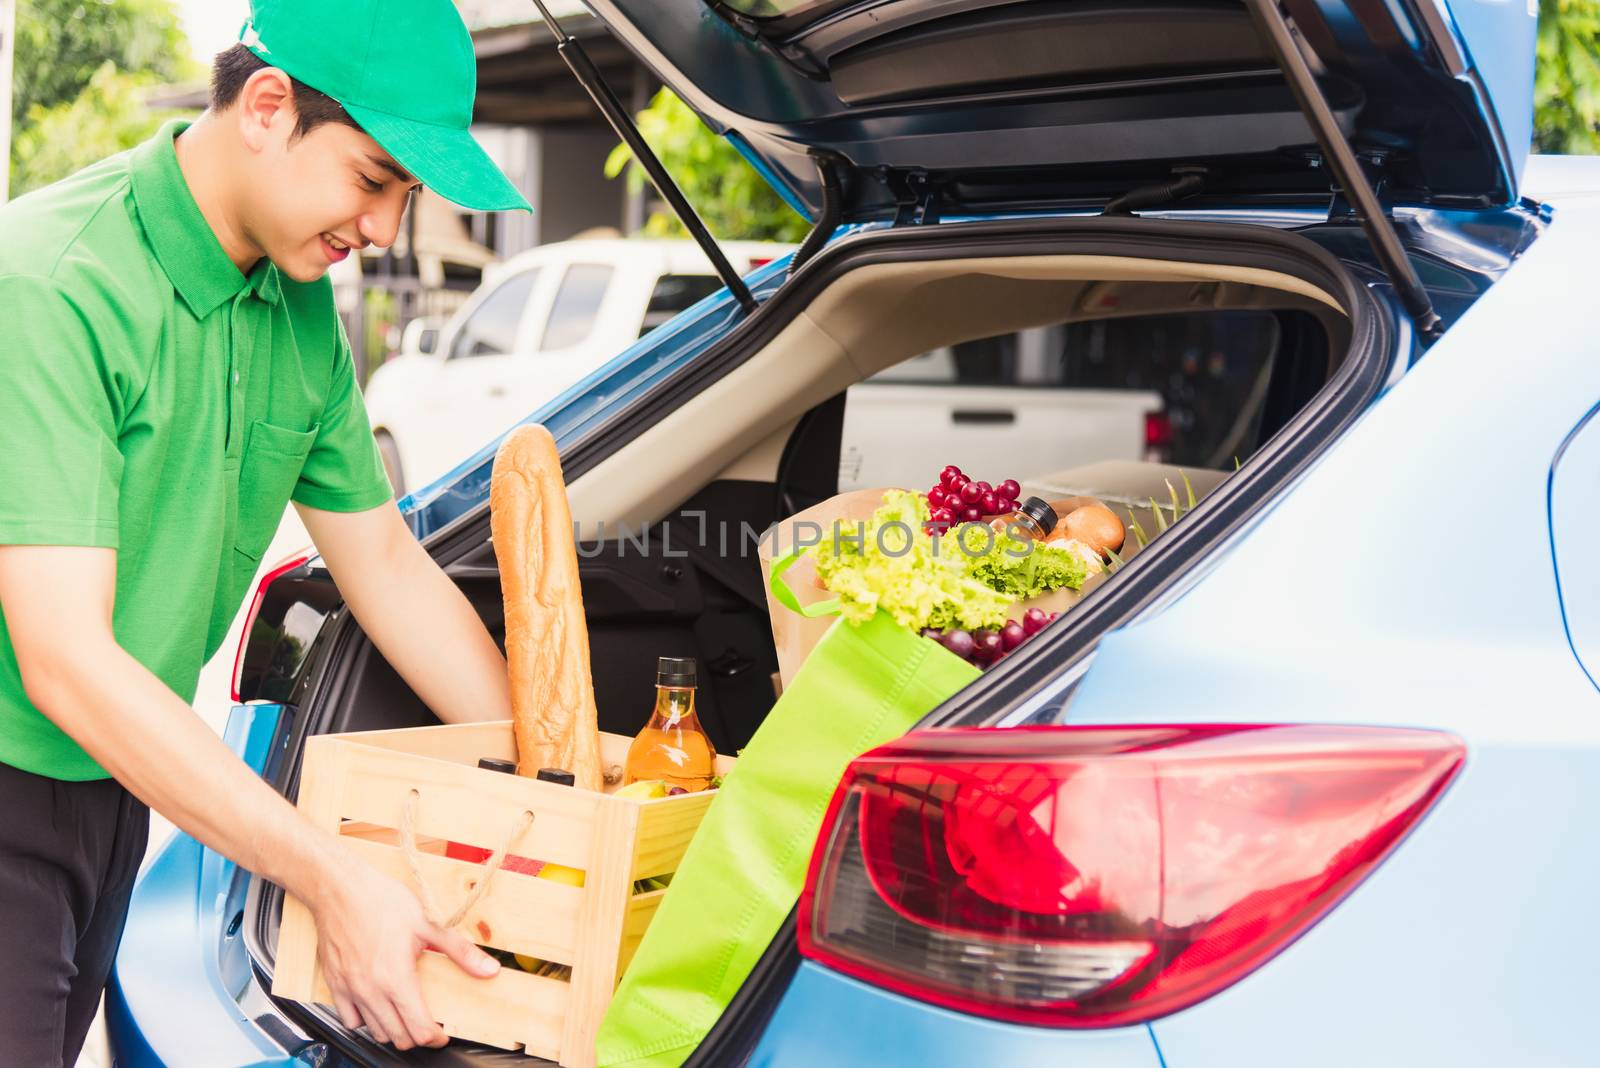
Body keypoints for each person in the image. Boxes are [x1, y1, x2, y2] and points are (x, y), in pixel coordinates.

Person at [0, 0, 534, 1060]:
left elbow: (384, 564)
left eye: (404, 196)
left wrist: (548, 782)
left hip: (118, 788)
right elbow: (63, 660)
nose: (383, 229)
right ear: (267, 107)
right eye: (372, 179)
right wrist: (331, 877)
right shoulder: (55, 284)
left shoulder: (299, 317)